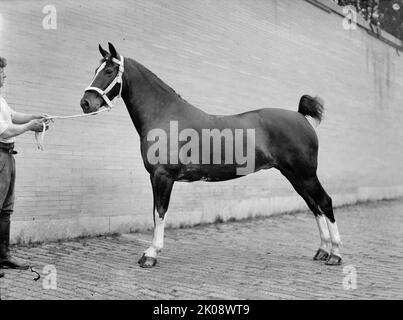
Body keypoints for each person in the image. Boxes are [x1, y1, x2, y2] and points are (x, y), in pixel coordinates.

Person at [0, 56, 49, 277]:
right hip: (0, 154)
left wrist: (34, 116)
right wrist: (31, 126)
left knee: (6, 209)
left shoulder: (0, 99)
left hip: (8, 156)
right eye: (2, 72)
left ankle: (2, 257)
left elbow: (13, 117)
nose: (4, 76)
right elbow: (5, 131)